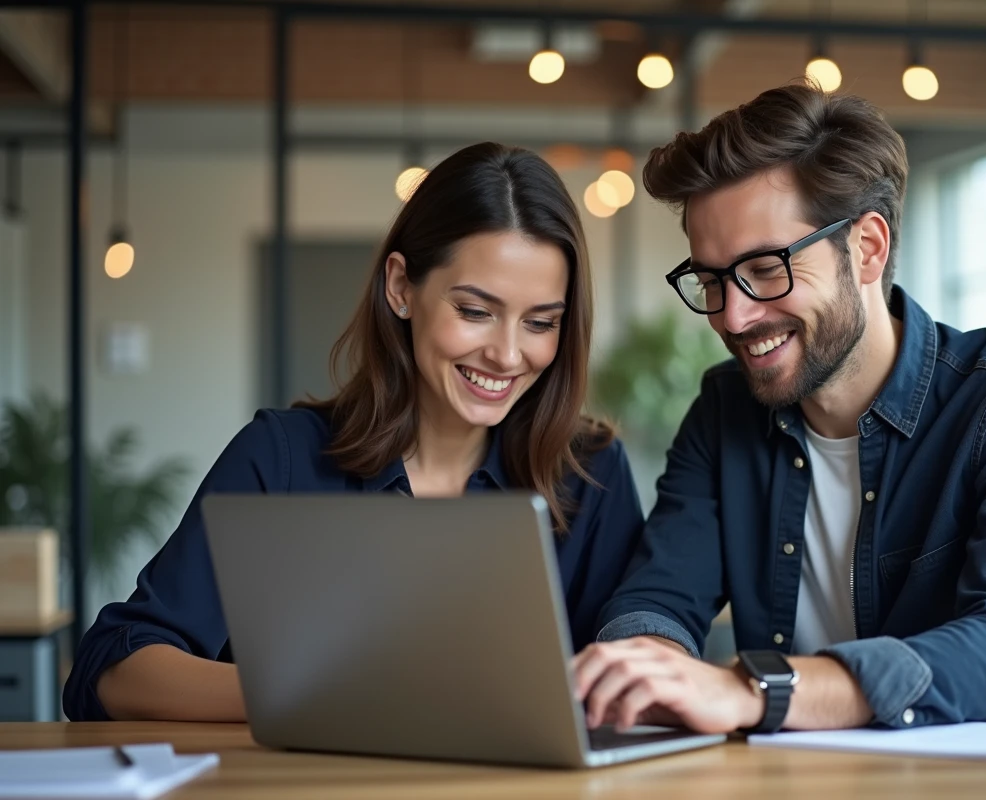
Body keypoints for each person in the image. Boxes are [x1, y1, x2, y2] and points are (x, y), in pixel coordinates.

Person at [572, 82, 986, 736]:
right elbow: (659, 597)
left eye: (766, 268)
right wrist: (651, 669)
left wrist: (758, 693)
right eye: (712, 280)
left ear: (866, 248)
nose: (732, 314)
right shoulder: (726, 410)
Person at [64, 142, 645, 722]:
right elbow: (109, 671)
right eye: (474, 311)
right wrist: (318, 692)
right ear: (400, 287)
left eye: (541, 322)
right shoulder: (283, 458)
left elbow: (631, 689)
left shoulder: (592, 475)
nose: (507, 353)